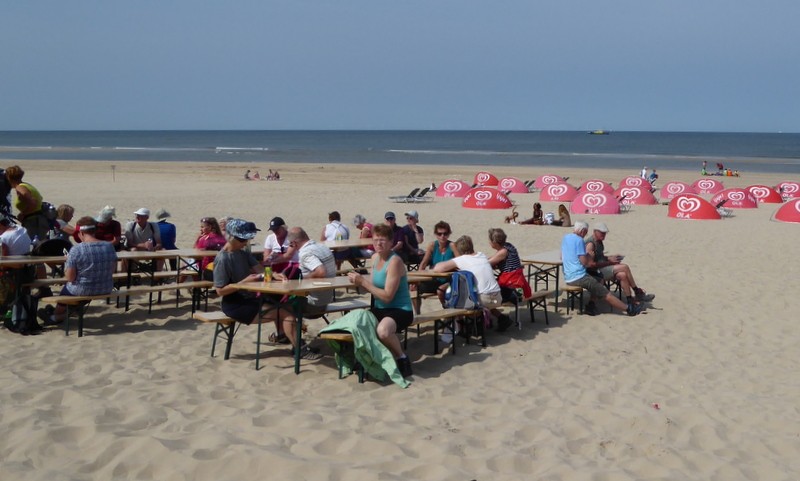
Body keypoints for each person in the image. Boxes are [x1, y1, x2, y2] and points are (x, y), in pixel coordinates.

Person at [348, 224, 414, 378]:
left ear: (391, 242)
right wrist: (358, 283)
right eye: (376, 240)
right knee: (357, 324)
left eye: (383, 240)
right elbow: (373, 288)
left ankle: (402, 358)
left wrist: (363, 282)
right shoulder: (374, 258)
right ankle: (368, 359)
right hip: (380, 308)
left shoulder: (395, 262)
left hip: (400, 309)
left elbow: (387, 296)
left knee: (383, 331)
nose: (379, 243)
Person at [265, 227, 336, 360]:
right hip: (326, 300)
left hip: (314, 305)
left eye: (291, 245)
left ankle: (298, 347)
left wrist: (301, 279)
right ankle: (292, 340)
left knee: (281, 309)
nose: (292, 248)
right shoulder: (323, 247)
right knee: (287, 304)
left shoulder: (305, 253)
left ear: (295, 243)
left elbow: (321, 272)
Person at [36, 216, 117, 326]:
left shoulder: (77, 249)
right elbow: (112, 270)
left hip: (84, 289)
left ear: (81, 233)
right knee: (74, 288)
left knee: (68, 288)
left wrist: (67, 263)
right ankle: (61, 313)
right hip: (105, 287)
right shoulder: (109, 246)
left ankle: (56, 316)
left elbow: (70, 277)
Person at [561, 221, 642, 316]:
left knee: (600, 280)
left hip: (568, 276)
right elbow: (585, 263)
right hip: (579, 276)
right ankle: (629, 309)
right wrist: (589, 255)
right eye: (586, 231)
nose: (586, 234)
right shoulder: (581, 241)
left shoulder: (566, 237)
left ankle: (591, 305)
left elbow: (561, 256)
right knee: (606, 294)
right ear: (583, 231)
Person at [433, 235, 511, 331]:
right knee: (478, 292)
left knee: (459, 295)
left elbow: (438, 268)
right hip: (497, 296)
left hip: (483, 299)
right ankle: (500, 317)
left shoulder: (461, 259)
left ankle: (461, 323)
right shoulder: (481, 255)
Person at [584, 222, 654, 315]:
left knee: (622, 275)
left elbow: (600, 257)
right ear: (595, 232)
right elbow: (591, 265)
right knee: (625, 267)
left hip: (602, 268)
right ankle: (637, 292)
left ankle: (630, 301)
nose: (604, 235)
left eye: (605, 233)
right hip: (595, 271)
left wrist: (610, 257)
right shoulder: (590, 244)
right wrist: (610, 262)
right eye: (602, 233)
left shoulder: (599, 242)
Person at [213, 219, 264, 326]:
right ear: (231, 238)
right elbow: (220, 291)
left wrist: (272, 274)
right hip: (234, 304)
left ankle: (282, 337)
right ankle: (295, 341)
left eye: (248, 239)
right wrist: (243, 283)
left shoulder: (243, 253)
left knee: (285, 307)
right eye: (242, 239)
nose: (246, 242)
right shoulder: (223, 259)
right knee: (282, 312)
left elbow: (260, 270)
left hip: (250, 299)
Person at [418, 220, 459, 307]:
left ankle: (447, 309)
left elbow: (461, 262)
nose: (442, 236)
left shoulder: (452, 246)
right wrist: (417, 279)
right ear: (436, 234)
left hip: (449, 279)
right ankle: (417, 313)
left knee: (440, 291)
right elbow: (424, 263)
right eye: (439, 234)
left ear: (449, 234)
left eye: (445, 233)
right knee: (414, 289)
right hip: (435, 279)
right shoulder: (432, 245)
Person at [5, 165, 49, 241]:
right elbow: (38, 200)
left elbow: (33, 203)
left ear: (8, 177)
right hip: (39, 219)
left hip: (34, 222)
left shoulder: (20, 187)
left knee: (33, 245)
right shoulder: (27, 185)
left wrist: (23, 214)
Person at [487, 228, 531, 303]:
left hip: (511, 284)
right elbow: (495, 257)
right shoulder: (508, 246)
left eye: (490, 240)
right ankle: (498, 314)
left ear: (495, 243)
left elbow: (486, 263)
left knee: (489, 295)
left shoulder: (503, 251)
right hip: (517, 281)